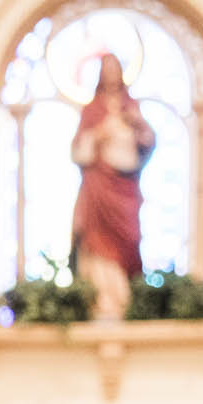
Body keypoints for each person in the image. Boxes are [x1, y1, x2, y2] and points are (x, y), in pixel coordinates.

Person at [69, 52, 157, 319]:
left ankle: (123, 299)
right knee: (97, 243)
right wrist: (98, 135)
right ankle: (101, 300)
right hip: (98, 186)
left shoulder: (132, 108)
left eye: (114, 68)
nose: (110, 74)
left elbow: (147, 142)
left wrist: (138, 125)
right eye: (105, 69)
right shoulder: (92, 110)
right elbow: (78, 152)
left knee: (127, 240)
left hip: (125, 189)